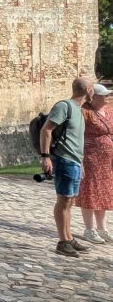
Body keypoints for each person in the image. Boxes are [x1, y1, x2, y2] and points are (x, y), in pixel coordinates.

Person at [39, 76, 92, 257]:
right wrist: (45, 157)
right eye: (92, 87)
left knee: (70, 201)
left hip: (75, 161)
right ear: (87, 90)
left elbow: (76, 140)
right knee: (63, 201)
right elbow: (46, 129)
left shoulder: (79, 110)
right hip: (64, 160)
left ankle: (69, 238)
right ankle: (63, 242)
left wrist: (81, 162)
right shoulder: (65, 106)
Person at [76, 83, 113, 243]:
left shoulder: (109, 112)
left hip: (107, 160)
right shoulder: (85, 113)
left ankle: (102, 228)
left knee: (103, 192)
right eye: (104, 95)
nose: (107, 97)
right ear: (94, 97)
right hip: (90, 158)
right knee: (90, 192)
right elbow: (76, 134)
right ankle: (89, 229)